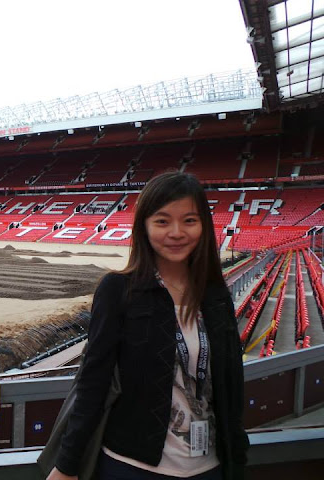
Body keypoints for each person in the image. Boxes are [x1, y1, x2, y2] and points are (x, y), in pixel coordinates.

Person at [47, 171, 249, 480]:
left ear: (204, 226)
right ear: (144, 226)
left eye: (189, 221)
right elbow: (93, 383)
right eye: (162, 221)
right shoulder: (118, 290)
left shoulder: (216, 295)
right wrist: (67, 466)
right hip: (131, 466)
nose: (177, 232)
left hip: (209, 467)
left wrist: (238, 460)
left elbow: (231, 385)